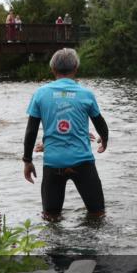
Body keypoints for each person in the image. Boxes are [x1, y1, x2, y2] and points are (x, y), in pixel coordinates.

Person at [23, 48, 109, 220]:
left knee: (50, 217)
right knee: (98, 215)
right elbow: (101, 124)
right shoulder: (86, 94)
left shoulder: (40, 94)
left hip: (53, 163)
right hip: (83, 162)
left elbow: (31, 131)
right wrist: (104, 140)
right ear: (76, 67)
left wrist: (27, 160)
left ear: (53, 69)